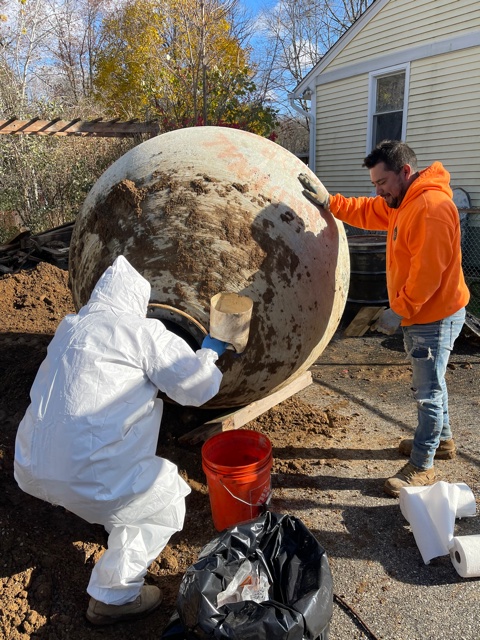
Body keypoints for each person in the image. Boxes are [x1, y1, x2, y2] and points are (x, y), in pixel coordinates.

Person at [14, 255, 228, 625]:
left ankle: (111, 514)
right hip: (82, 476)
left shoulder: (71, 327)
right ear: (136, 302)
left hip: (31, 465)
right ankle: (114, 596)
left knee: (109, 474)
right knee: (166, 501)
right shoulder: (141, 332)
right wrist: (210, 352)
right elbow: (196, 388)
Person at [298, 140, 470, 497]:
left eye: (382, 182)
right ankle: (444, 442)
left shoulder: (431, 207)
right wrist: (331, 202)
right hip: (425, 313)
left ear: (405, 172)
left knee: (428, 393)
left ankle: (423, 465)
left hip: (433, 316)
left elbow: (429, 275)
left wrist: (399, 310)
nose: (378, 190)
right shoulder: (403, 201)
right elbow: (367, 210)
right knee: (433, 383)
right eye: (374, 183)